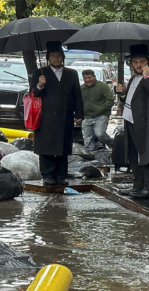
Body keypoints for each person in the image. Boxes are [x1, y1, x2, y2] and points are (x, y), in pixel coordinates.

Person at [115, 44, 149, 199]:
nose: (139, 65)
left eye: (142, 62)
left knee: (148, 154)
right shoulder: (133, 78)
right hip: (132, 121)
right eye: (136, 62)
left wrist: (148, 78)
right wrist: (123, 94)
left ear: (148, 62)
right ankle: (137, 185)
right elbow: (133, 99)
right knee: (133, 155)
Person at [30, 41, 84, 186]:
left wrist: (79, 114)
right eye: (53, 56)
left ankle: (61, 175)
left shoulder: (71, 73)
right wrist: (39, 85)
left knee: (63, 147)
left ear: (63, 57)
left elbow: (77, 95)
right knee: (46, 147)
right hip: (46, 117)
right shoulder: (40, 73)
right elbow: (33, 94)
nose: (56, 59)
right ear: (48, 57)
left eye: (58, 56)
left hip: (65, 116)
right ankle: (47, 175)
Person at [80, 69, 115, 152]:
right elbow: (77, 102)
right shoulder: (81, 88)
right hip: (86, 116)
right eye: (85, 78)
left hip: (101, 115)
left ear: (94, 77)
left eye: (89, 77)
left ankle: (113, 143)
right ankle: (90, 156)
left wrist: (101, 109)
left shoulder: (103, 86)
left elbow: (110, 100)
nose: (87, 80)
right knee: (87, 138)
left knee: (100, 134)